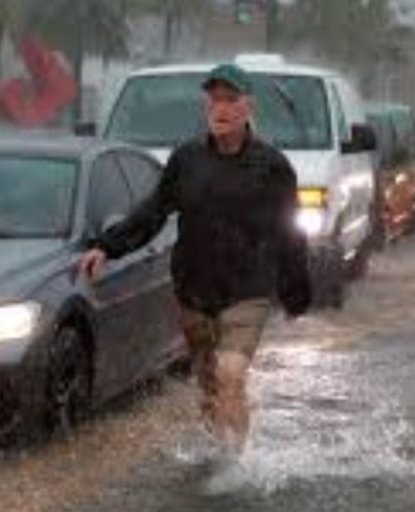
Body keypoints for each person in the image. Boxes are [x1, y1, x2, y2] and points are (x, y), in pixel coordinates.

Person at [78, 63, 312, 456]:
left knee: (231, 373)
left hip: (247, 291)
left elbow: (289, 232)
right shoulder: (186, 159)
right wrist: (107, 246)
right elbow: (153, 211)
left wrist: (295, 290)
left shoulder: (273, 167)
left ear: (247, 106)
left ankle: (236, 466)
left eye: (230, 99)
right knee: (210, 386)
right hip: (194, 291)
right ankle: (218, 448)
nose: (220, 108)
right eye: (214, 99)